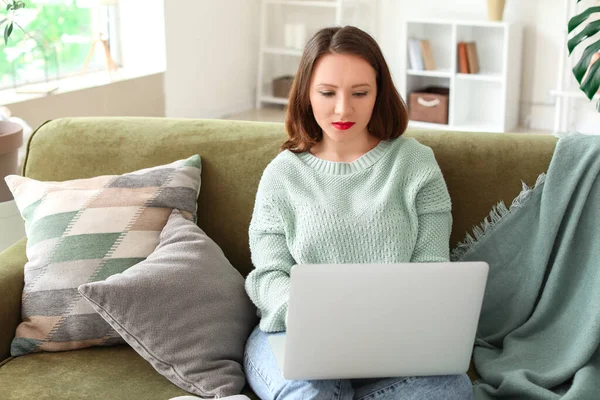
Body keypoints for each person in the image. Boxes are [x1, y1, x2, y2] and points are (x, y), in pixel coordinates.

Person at [243, 26, 472, 400]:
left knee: (449, 388)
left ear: (379, 92)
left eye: (360, 93)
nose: (343, 109)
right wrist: (318, 319)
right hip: (292, 332)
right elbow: (268, 275)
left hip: (392, 341)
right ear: (306, 94)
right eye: (327, 92)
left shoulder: (416, 164)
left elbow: (431, 271)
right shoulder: (282, 174)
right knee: (308, 393)